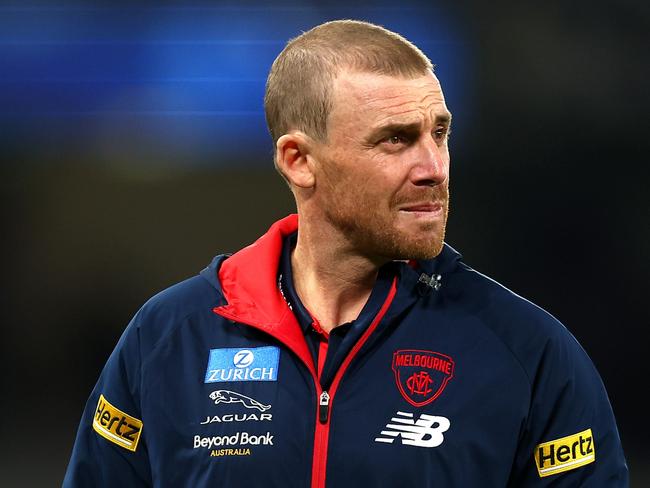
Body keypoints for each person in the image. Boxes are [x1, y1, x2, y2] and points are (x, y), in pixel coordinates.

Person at [64, 19, 628, 487]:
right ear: (298, 161)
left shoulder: (528, 351)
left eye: (440, 133)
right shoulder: (168, 338)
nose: (433, 168)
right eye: (396, 139)